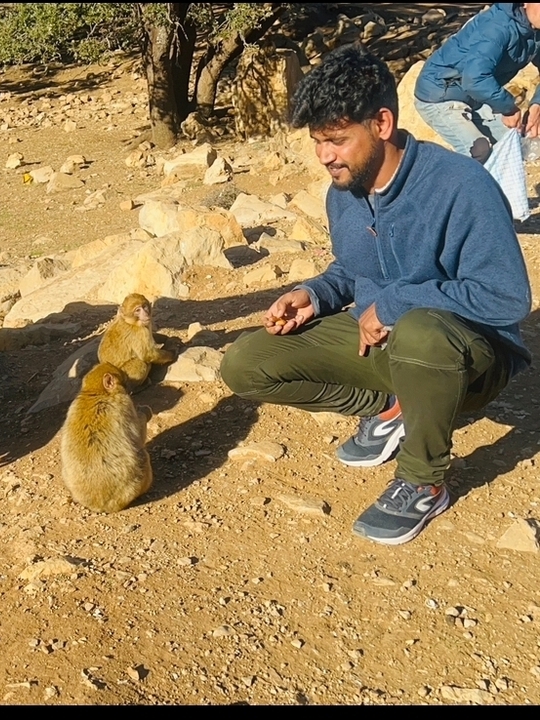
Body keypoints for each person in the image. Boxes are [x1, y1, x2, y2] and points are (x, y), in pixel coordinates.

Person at [220, 44, 532, 546]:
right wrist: (314, 294)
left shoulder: (460, 186)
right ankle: (395, 405)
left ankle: (423, 481)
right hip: (385, 347)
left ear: (382, 124)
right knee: (247, 362)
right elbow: (352, 268)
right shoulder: (343, 190)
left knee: (420, 332)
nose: (325, 156)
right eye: (319, 141)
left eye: (338, 140)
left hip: (467, 359)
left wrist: (394, 304)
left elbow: (506, 298)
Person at [414, 3, 540, 162]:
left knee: (517, 142)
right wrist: (508, 108)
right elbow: (475, 78)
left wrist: (536, 105)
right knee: (479, 151)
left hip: (474, 97)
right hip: (440, 95)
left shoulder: (534, 31)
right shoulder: (497, 27)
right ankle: (449, 183)